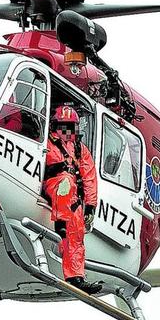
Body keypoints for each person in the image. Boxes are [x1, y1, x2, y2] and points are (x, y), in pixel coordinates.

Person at [43, 105, 100, 295]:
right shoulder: (46, 140)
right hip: (51, 184)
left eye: (71, 127)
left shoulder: (79, 149)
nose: (67, 131)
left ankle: (76, 277)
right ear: (55, 126)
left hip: (71, 196)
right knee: (65, 181)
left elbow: (89, 177)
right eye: (63, 126)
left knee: (76, 230)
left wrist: (90, 207)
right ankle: (60, 223)